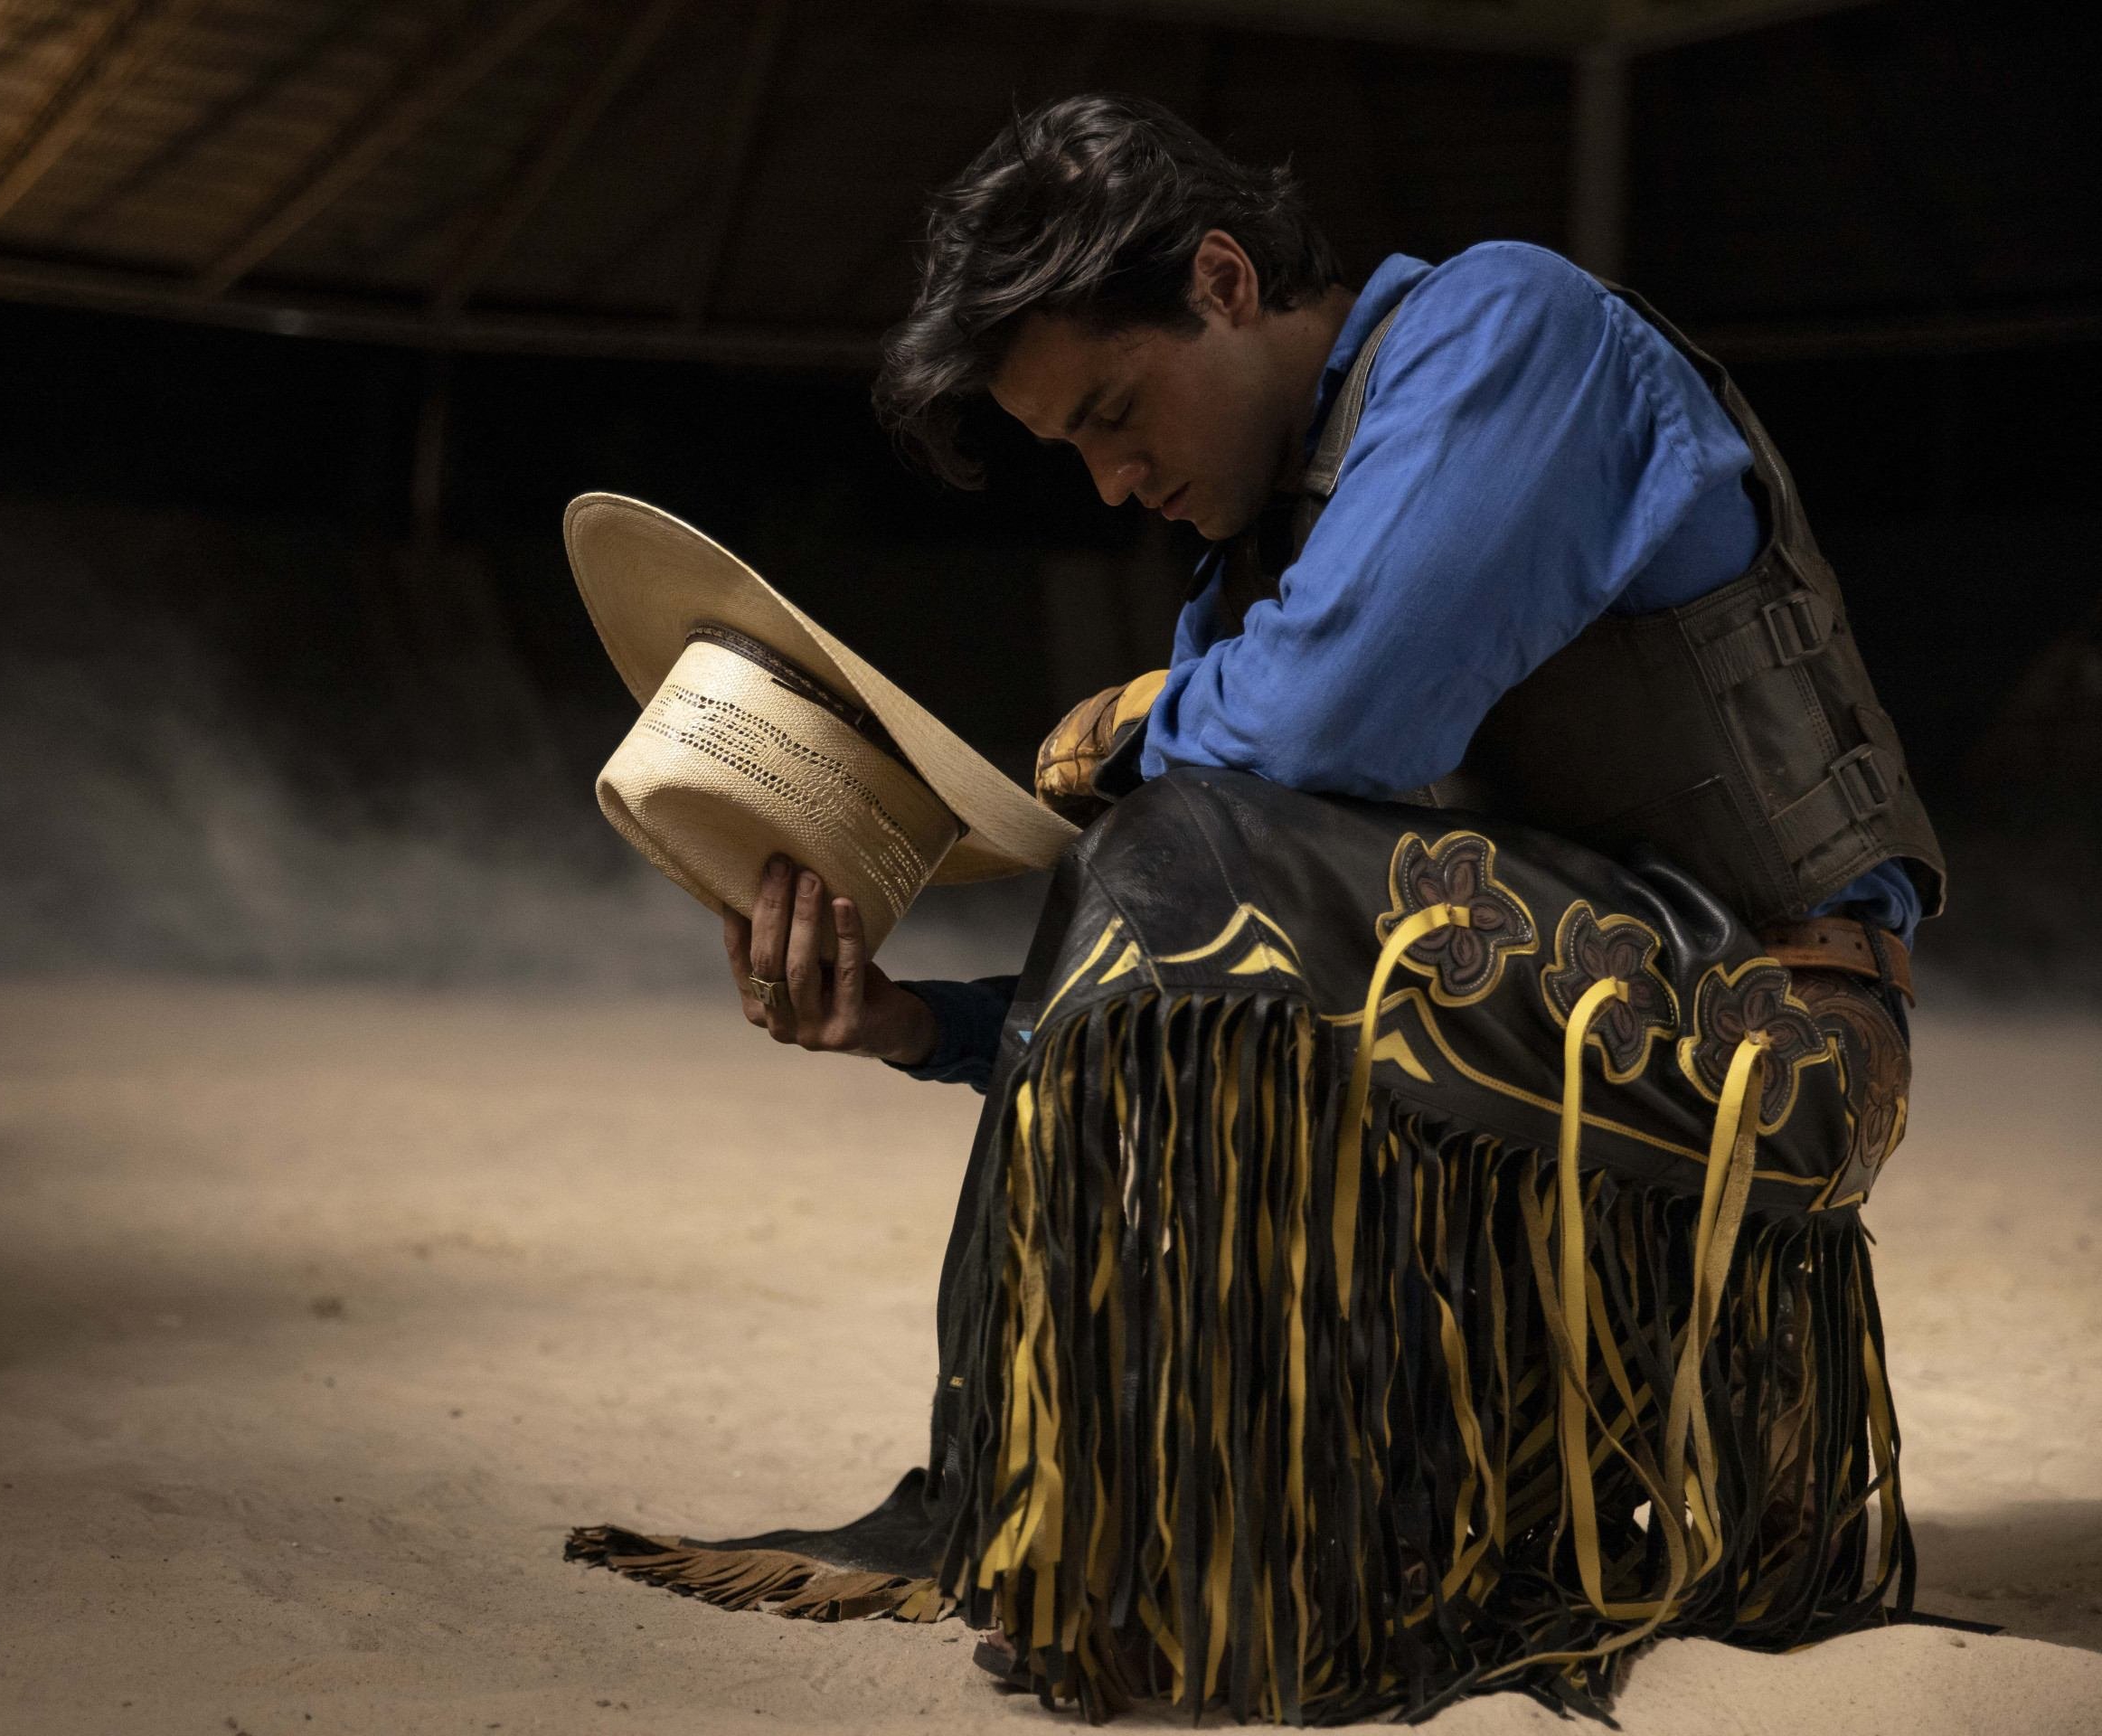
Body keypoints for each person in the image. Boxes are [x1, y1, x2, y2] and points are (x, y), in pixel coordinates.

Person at [582, 92, 1938, 1723]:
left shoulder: (1506, 327)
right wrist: (909, 1023)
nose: (1106, 482)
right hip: (1556, 1010)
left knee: (1181, 828)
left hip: (1779, 1039)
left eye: (1110, 412)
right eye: (1069, 450)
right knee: (1171, 841)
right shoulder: (1265, 549)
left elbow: (1314, 729)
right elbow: (1194, 962)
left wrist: (1135, 724)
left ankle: (1216, 1554)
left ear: (1223, 281)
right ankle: (1215, 1520)